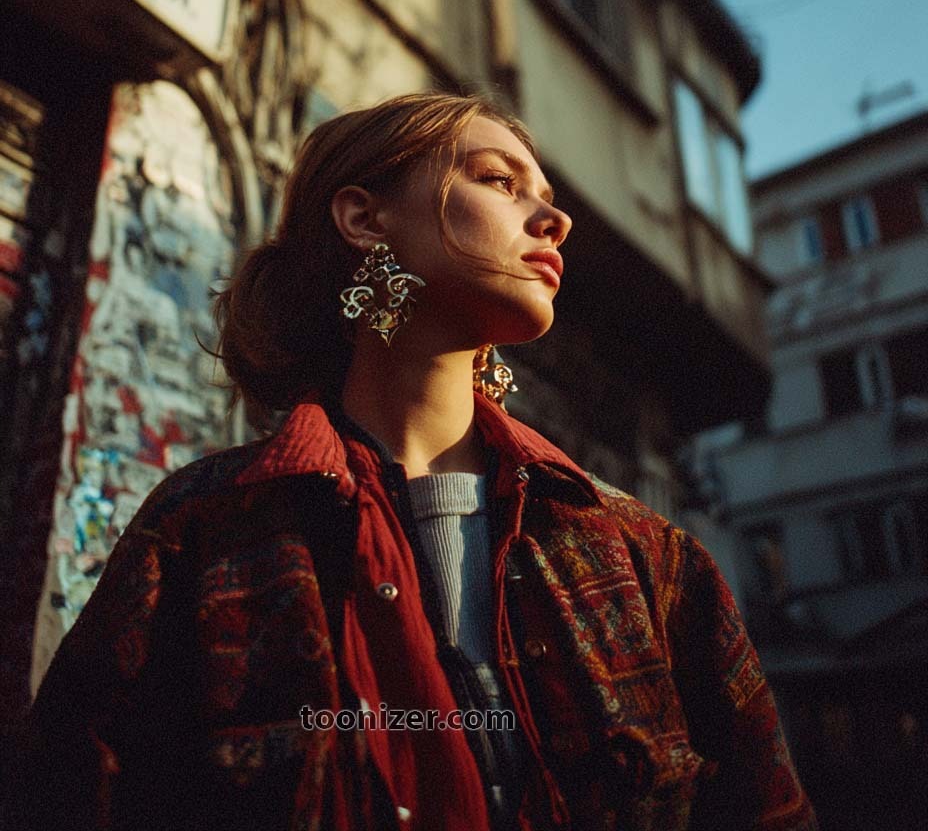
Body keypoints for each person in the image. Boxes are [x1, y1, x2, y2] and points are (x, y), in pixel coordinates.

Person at [7, 91, 818, 830]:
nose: (553, 218)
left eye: (543, 192)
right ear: (365, 220)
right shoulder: (205, 531)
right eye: (500, 180)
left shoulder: (646, 558)